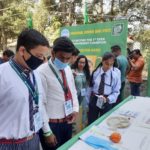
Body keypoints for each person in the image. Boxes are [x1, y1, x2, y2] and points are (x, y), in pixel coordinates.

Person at [0, 29, 56, 150]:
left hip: (33, 140)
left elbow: (39, 104)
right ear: (22, 51)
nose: (42, 61)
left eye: (44, 57)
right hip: (9, 144)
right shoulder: (2, 75)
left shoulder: (35, 73)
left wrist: (46, 131)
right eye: (39, 56)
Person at [37, 36, 79, 150]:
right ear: (53, 53)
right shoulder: (41, 72)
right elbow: (40, 104)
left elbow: (73, 91)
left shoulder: (67, 69)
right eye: (62, 57)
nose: (65, 61)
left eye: (68, 58)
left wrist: (75, 109)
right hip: (52, 125)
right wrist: (47, 132)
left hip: (67, 121)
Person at [88, 52, 121, 124]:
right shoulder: (95, 73)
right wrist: (88, 101)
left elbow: (116, 91)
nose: (108, 66)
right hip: (95, 99)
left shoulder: (115, 75)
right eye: (106, 63)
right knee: (91, 121)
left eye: (111, 64)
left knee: (104, 122)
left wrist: (108, 99)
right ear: (102, 61)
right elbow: (90, 87)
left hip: (107, 100)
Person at [72, 55, 90, 129]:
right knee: (75, 111)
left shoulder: (86, 72)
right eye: (80, 62)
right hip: (75, 96)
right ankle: (74, 126)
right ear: (77, 62)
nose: (82, 64)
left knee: (83, 110)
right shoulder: (73, 71)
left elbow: (87, 84)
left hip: (83, 96)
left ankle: (82, 125)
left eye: (84, 63)